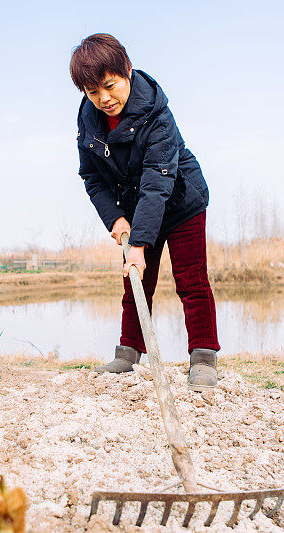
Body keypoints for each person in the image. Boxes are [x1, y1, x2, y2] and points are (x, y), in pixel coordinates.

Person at [70, 33, 220, 390]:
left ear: (127, 69)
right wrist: (117, 220)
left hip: (181, 201)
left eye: (110, 86)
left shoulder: (157, 114)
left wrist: (138, 241)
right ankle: (128, 353)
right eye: (93, 92)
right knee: (135, 280)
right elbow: (92, 177)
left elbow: (158, 181)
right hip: (135, 207)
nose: (104, 99)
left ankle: (203, 357)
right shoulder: (88, 122)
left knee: (191, 280)